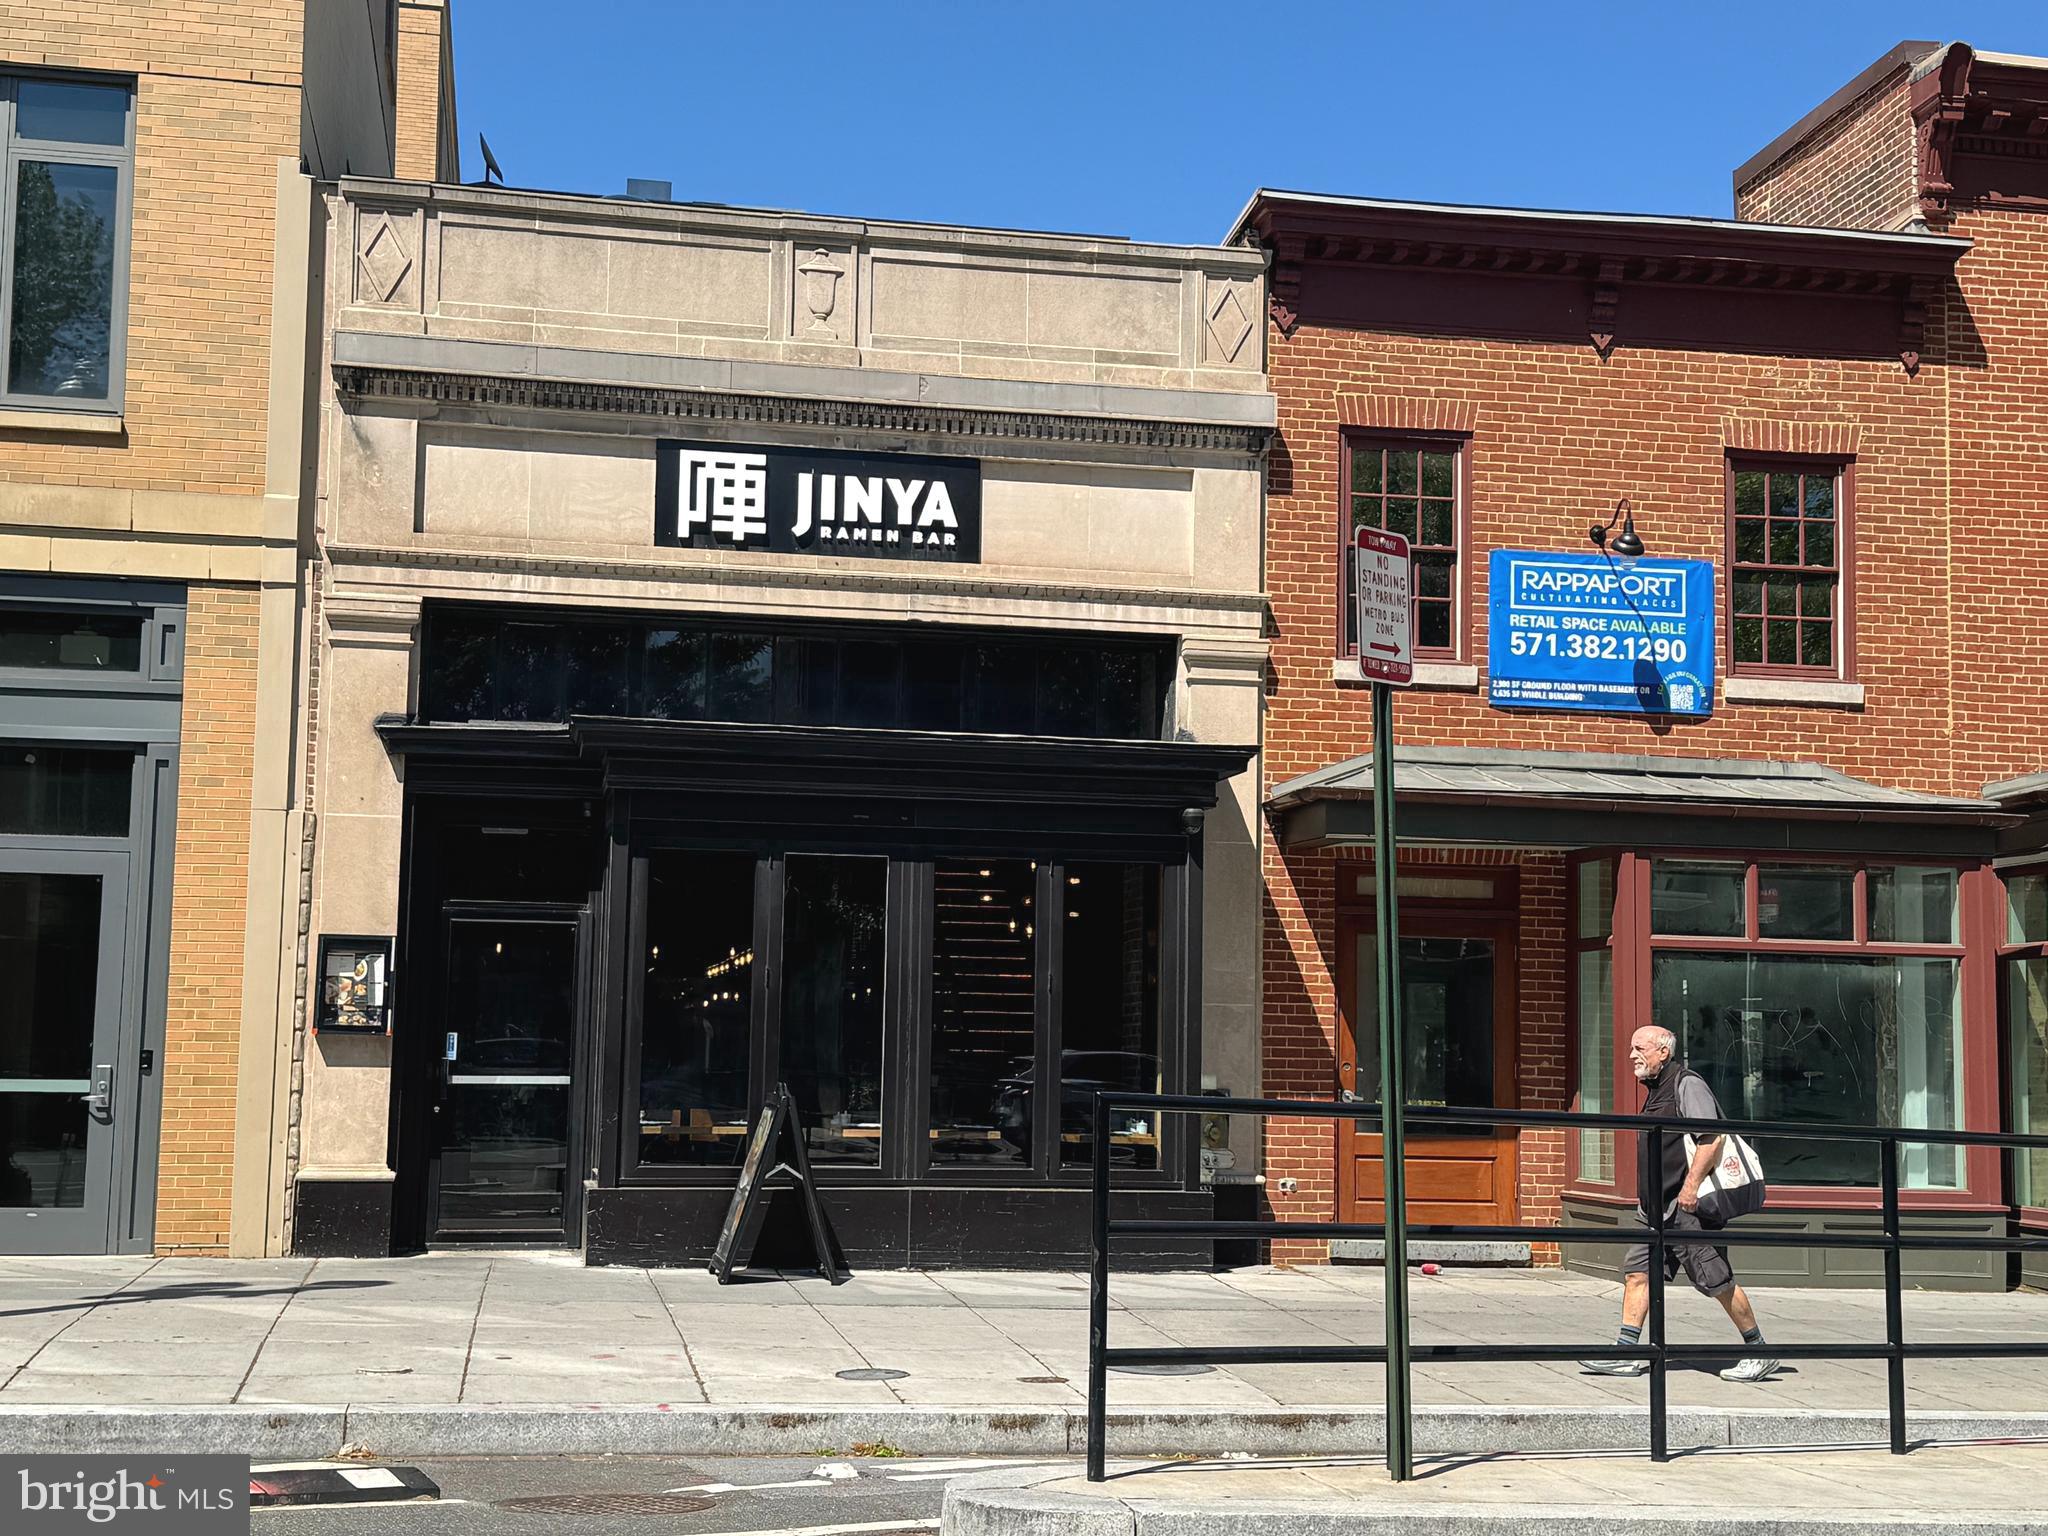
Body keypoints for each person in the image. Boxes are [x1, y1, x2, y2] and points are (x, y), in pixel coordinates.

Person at [1582, 1024, 1778, 1383]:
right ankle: (1627, 1352)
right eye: (1631, 1048)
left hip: (1687, 1208)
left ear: (1663, 1051)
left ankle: (1759, 1350)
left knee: (1716, 1281)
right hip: (1654, 1211)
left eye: (1640, 1048)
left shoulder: (1686, 1084)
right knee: (1638, 1273)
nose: (1632, 1056)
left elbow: (1711, 1137)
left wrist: (1691, 1188)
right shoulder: (1655, 1090)